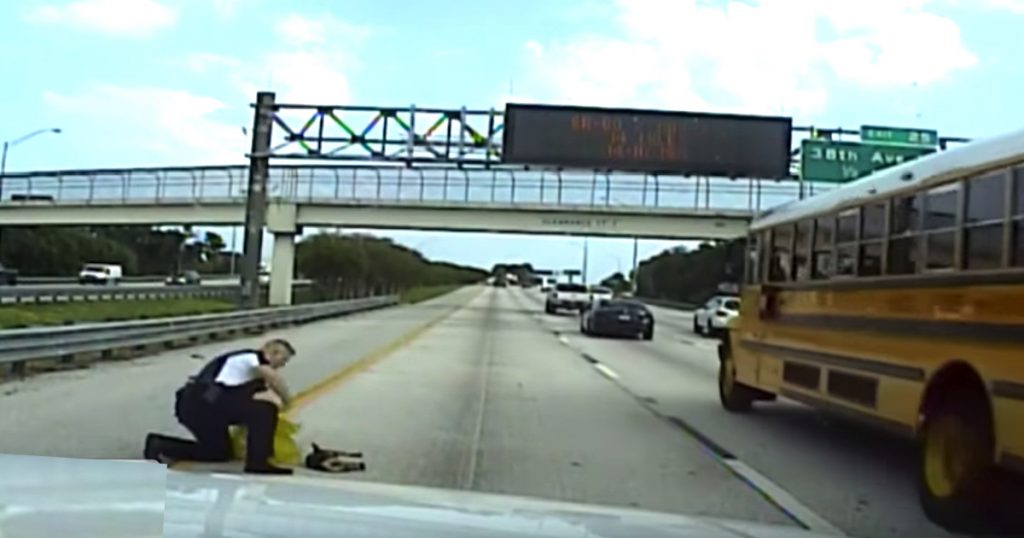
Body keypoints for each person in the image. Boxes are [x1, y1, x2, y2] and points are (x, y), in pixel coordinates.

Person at [144, 338, 296, 474]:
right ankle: (258, 462)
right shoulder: (251, 358)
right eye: (283, 360)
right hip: (201, 404)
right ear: (274, 353)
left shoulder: (248, 376)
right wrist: (288, 401)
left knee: (218, 453)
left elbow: (254, 397)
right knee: (265, 410)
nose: (282, 365)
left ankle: (160, 445)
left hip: (204, 410)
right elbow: (273, 379)